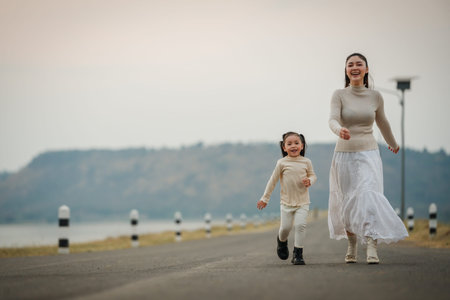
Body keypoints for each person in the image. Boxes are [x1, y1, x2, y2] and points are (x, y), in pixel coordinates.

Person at [328, 53, 408, 264]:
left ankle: (372, 246)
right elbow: (333, 119)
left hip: (369, 153)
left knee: (369, 196)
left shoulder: (375, 96)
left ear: (366, 69)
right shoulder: (339, 95)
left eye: (359, 64)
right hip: (344, 154)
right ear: (346, 70)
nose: (354, 67)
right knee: (347, 201)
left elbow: (382, 122)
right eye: (350, 65)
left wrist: (392, 143)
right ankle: (352, 243)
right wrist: (339, 130)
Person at [257, 132, 317, 265]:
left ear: (302, 146)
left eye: (296, 143)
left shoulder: (306, 162)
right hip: (286, 203)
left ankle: (298, 254)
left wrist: (310, 181)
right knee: (285, 229)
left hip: (303, 201)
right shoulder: (282, 163)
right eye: (289, 144)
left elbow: (313, 175)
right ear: (284, 148)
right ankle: (281, 241)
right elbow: (272, 181)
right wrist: (264, 199)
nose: (293, 146)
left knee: (300, 225)